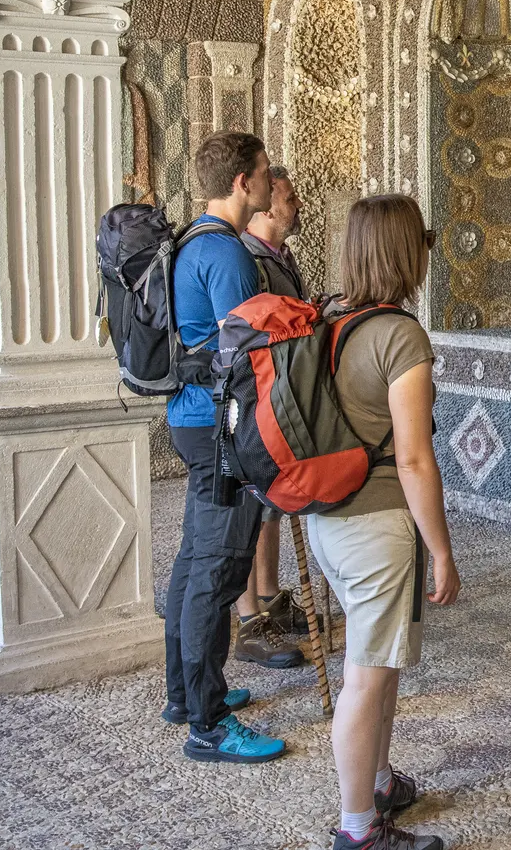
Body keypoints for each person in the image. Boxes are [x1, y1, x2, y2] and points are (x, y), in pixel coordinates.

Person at [309, 194, 460, 850]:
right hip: (375, 527)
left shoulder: (329, 320)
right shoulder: (401, 336)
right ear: (408, 251)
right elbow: (415, 459)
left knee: (379, 661)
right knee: (366, 675)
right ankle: (358, 829)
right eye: (422, 240)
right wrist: (443, 550)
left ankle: (379, 780)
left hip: (329, 520)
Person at [161, 131, 290, 763]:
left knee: (194, 558)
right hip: (222, 426)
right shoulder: (231, 256)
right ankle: (207, 725)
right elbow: (251, 356)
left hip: (191, 418)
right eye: (265, 172)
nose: (270, 182)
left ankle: (184, 695)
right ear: (244, 182)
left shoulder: (190, 241)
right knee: (218, 570)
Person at [233, 164, 316, 655]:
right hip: (255, 401)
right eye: (289, 196)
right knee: (248, 505)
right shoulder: (248, 260)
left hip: (280, 397)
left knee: (269, 505)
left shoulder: (279, 257)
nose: (296, 203)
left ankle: (269, 594)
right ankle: (249, 620)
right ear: (265, 205)